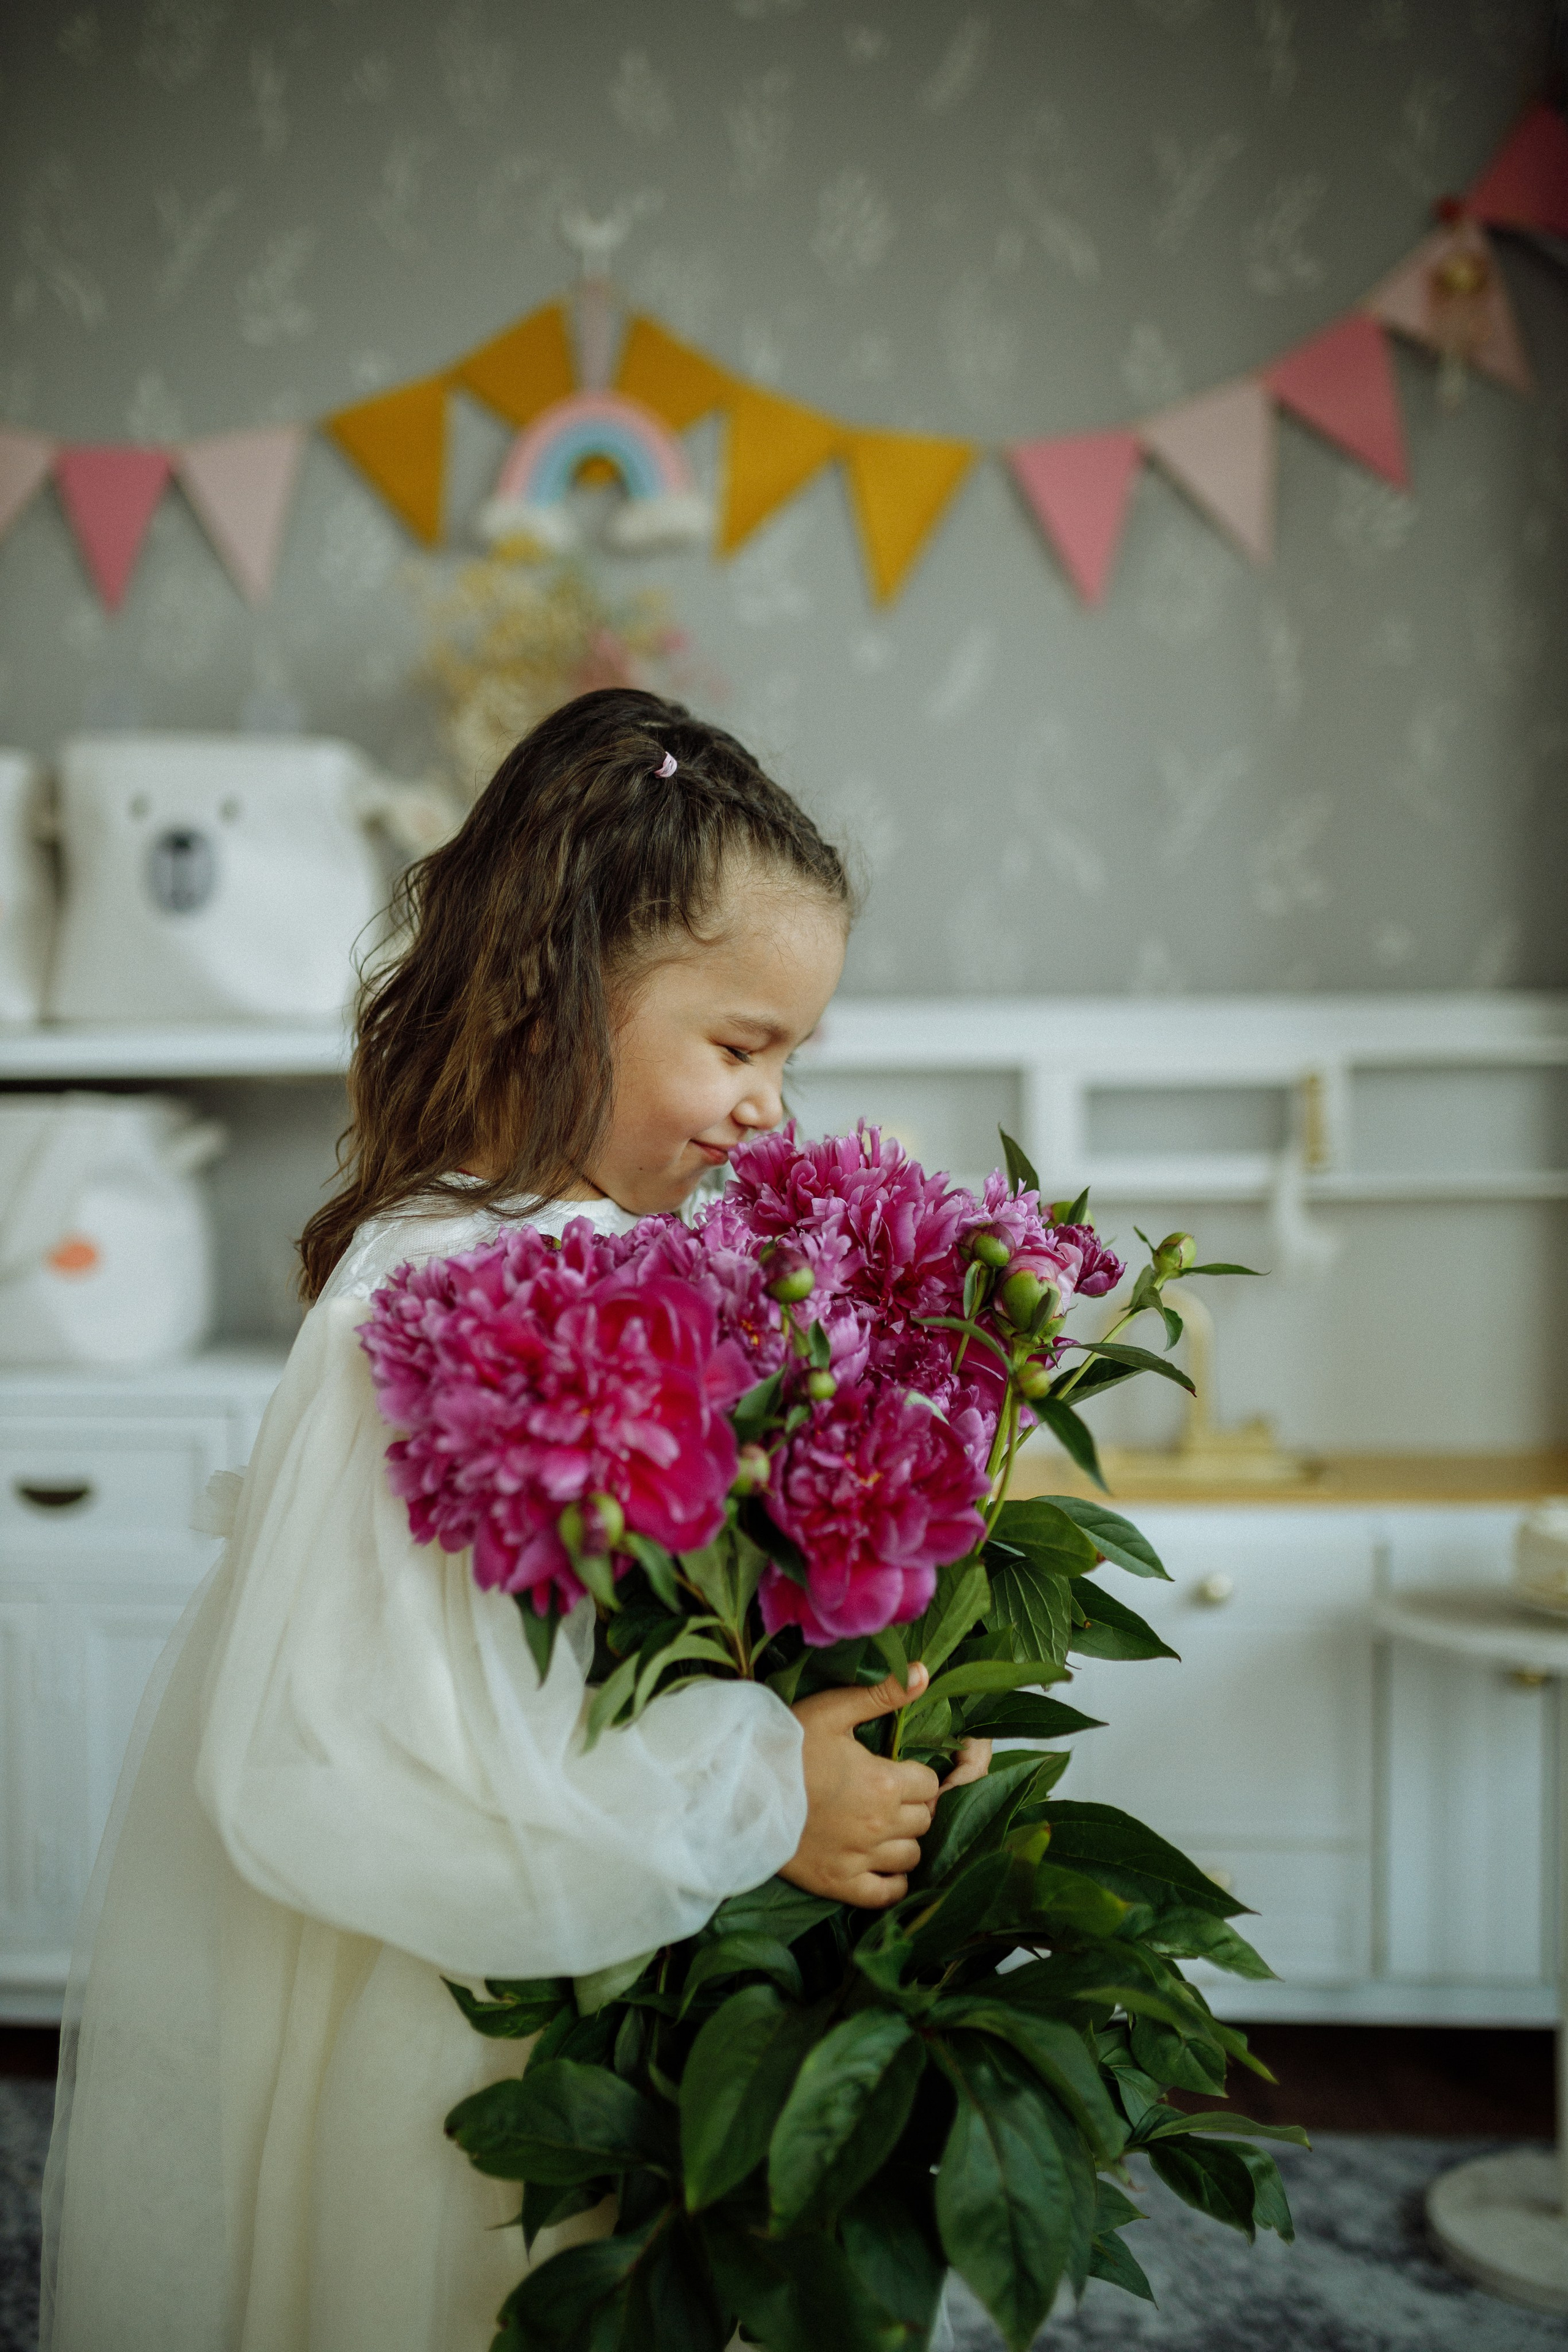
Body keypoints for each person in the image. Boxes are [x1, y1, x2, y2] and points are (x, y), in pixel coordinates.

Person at [41, 688, 989, 2352]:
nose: (772, 1104)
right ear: (567, 991)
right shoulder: (440, 1289)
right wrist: (770, 1793)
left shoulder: (623, 1255)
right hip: (453, 1999)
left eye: (792, 1055)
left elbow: (659, 1612)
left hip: (593, 1920)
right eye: (741, 1042)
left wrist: (864, 1707)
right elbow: (382, 1753)